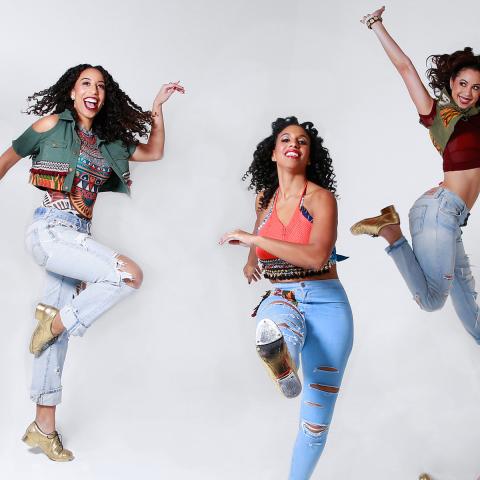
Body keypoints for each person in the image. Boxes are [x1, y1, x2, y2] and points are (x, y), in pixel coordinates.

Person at [0, 64, 184, 461]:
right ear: (72, 92)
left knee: (52, 336)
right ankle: (59, 320)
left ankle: (42, 428)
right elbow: (6, 160)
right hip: (50, 230)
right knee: (128, 275)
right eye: (86, 83)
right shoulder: (50, 126)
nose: (94, 91)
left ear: (105, 97)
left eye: (101, 86)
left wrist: (157, 107)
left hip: (77, 240)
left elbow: (154, 151)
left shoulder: (110, 143)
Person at [220, 117, 353, 479]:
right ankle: (284, 362)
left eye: (302, 141)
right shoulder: (265, 198)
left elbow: (314, 255)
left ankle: (285, 365)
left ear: (309, 155)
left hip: (328, 305)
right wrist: (251, 261)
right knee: (277, 321)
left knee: (314, 426)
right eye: (286, 139)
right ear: (275, 153)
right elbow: (262, 233)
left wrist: (254, 242)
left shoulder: (321, 199)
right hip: (284, 295)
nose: (294, 144)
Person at [351, 6, 480, 344]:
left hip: (451, 215)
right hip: (439, 210)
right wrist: (376, 24)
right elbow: (405, 68)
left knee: (467, 300)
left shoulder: (478, 120)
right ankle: (390, 232)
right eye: (463, 83)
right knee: (433, 300)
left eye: (476, 87)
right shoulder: (437, 114)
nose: (467, 92)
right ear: (451, 82)